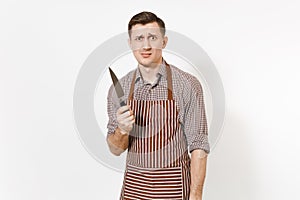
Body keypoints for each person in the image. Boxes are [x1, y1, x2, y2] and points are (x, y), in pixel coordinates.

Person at [106, 11, 210, 200]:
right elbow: (115, 150)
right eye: (139, 38)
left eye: (152, 37)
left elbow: (199, 146)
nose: (145, 45)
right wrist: (122, 130)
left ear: (164, 41)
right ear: (130, 44)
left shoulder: (188, 84)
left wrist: (195, 195)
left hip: (174, 191)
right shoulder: (119, 89)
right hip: (133, 191)